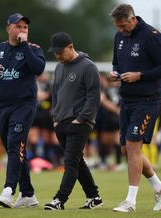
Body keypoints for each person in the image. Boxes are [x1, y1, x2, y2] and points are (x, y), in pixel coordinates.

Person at [108, 4, 161, 213]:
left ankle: (130, 202)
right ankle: (159, 187)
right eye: (117, 27)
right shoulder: (119, 37)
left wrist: (140, 75)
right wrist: (115, 74)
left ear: (132, 19)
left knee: (134, 147)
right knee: (127, 150)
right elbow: (116, 63)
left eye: (122, 26)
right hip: (126, 99)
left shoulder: (152, 36)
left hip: (147, 100)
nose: (120, 30)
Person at [0, 13, 45, 208]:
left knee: (16, 144)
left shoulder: (33, 49)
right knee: (14, 149)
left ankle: (8, 190)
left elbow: (38, 68)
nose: (22, 30)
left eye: (25, 27)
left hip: (24, 105)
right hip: (2, 106)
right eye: (18, 26)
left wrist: (24, 46)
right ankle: (28, 194)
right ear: (8, 28)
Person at [44, 32, 103, 210]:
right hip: (60, 121)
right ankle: (94, 197)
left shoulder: (88, 66)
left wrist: (81, 119)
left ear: (70, 47)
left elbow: (93, 97)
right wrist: (55, 117)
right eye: (55, 53)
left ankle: (59, 200)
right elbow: (55, 93)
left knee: (70, 162)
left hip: (80, 122)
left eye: (60, 52)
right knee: (77, 161)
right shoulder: (59, 67)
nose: (57, 56)